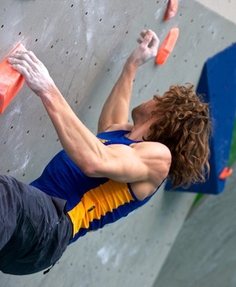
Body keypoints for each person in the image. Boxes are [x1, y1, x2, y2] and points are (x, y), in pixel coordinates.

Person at [1, 29, 211, 275]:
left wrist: (47, 88)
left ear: (165, 112)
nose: (153, 97)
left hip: (49, 227)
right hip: (32, 227)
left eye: (161, 97)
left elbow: (94, 161)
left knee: (5, 193)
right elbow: (112, 121)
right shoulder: (121, 138)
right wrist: (132, 64)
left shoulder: (159, 159)